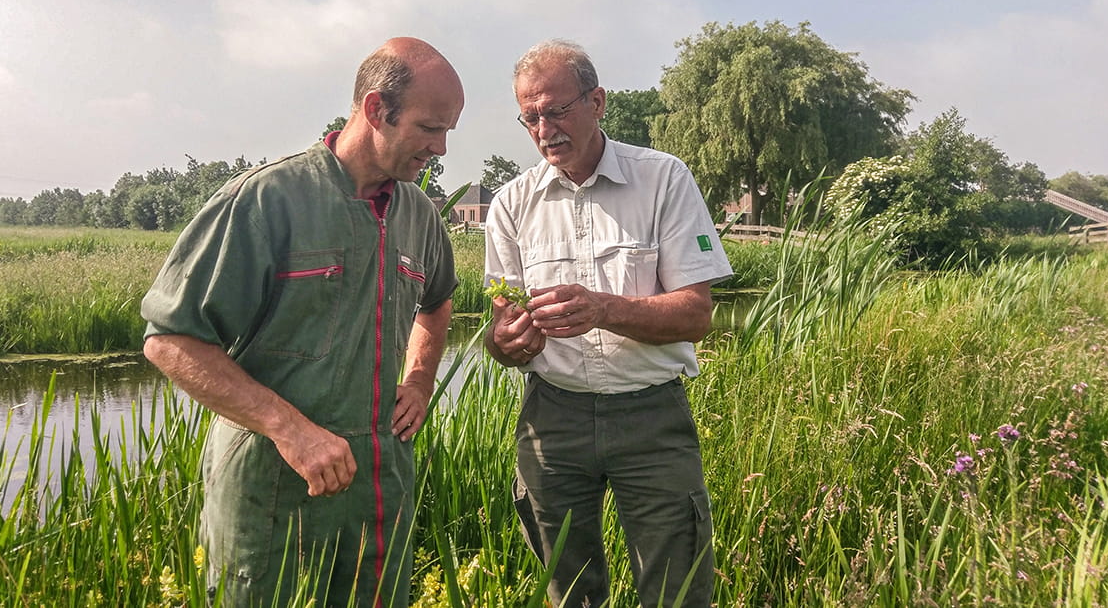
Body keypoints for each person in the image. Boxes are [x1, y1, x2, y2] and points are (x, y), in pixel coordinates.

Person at [141, 36, 463, 607]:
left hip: (379, 492)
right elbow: (172, 342)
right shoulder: (267, 199)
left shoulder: (419, 215)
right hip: (272, 494)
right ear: (374, 109)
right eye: (428, 128)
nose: (440, 148)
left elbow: (437, 303)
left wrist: (418, 378)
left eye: (447, 132)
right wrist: (290, 429)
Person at [483, 39, 731, 607]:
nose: (544, 127)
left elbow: (696, 314)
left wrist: (603, 309)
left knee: (678, 589)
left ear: (597, 101)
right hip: (553, 417)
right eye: (531, 116)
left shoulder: (662, 179)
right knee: (569, 593)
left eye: (557, 109)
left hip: (650, 416)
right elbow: (502, 337)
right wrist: (508, 342)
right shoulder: (511, 204)